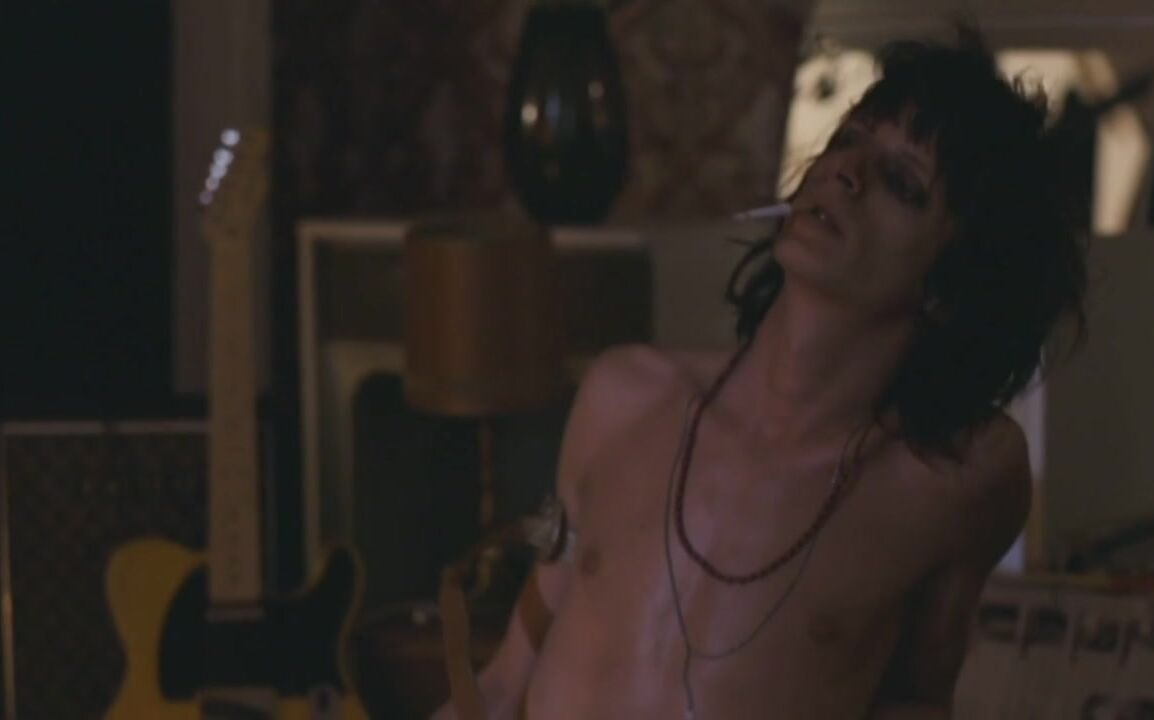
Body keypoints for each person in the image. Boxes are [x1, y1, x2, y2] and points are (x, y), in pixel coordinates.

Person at [434, 26, 1086, 720]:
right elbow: (503, 681)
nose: (845, 171)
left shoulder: (950, 484)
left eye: (901, 182)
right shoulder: (624, 395)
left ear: (952, 286)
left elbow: (915, 701)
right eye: (846, 140)